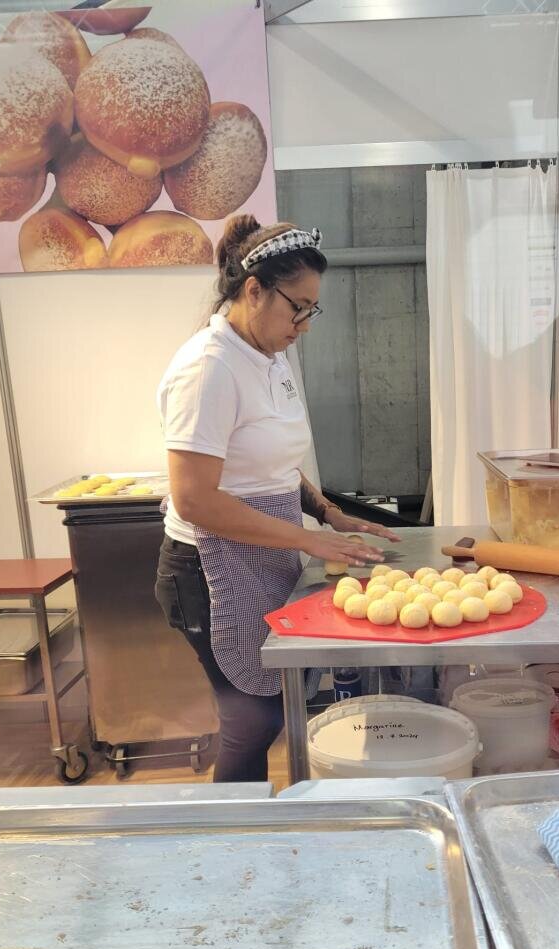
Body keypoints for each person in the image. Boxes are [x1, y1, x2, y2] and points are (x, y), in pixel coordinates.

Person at [155, 215, 399, 782]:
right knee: (252, 718)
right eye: (299, 307)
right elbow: (194, 500)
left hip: (263, 556)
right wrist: (311, 539)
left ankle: (270, 823)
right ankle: (234, 842)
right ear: (253, 289)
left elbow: (274, 465)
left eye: (313, 310)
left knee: (269, 704)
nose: (305, 325)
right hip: (207, 570)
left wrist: (328, 511)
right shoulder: (208, 368)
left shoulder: (268, 355)